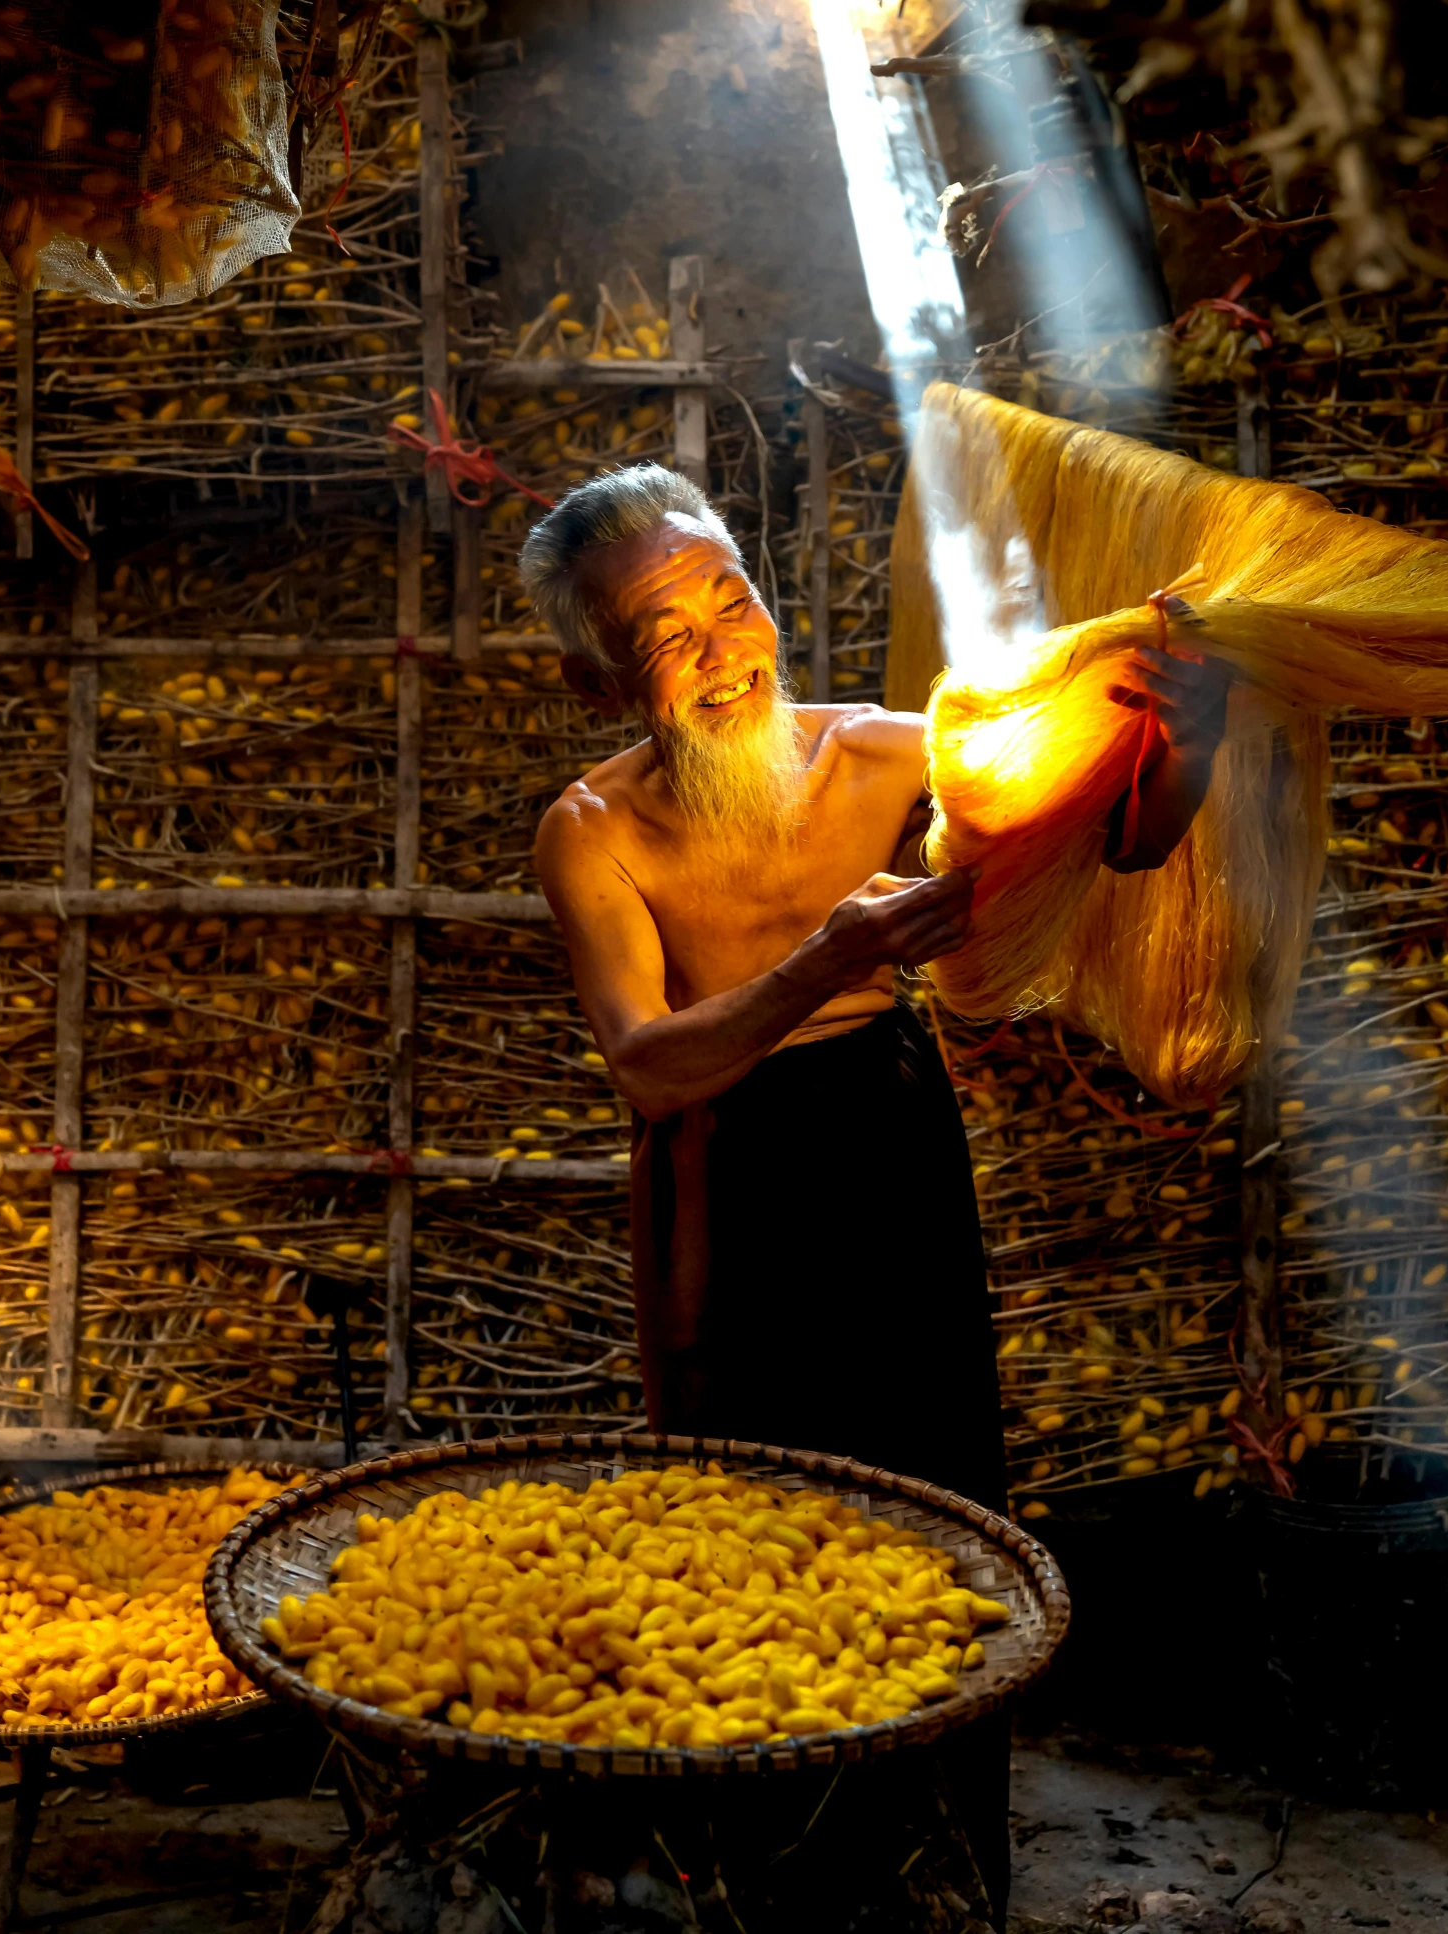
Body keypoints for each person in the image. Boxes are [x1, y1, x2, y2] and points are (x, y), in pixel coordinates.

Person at [521, 461, 1229, 1919]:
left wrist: (1186, 738)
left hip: (886, 1139)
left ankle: (947, 1867)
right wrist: (824, 962)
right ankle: (774, 1874)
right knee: (748, 1509)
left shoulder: (888, 754)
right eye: (671, 635)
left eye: (734, 600)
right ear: (600, 682)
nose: (728, 652)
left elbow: (1125, 832)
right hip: (723, 1174)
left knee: (938, 1487)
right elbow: (651, 1069)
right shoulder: (590, 830)